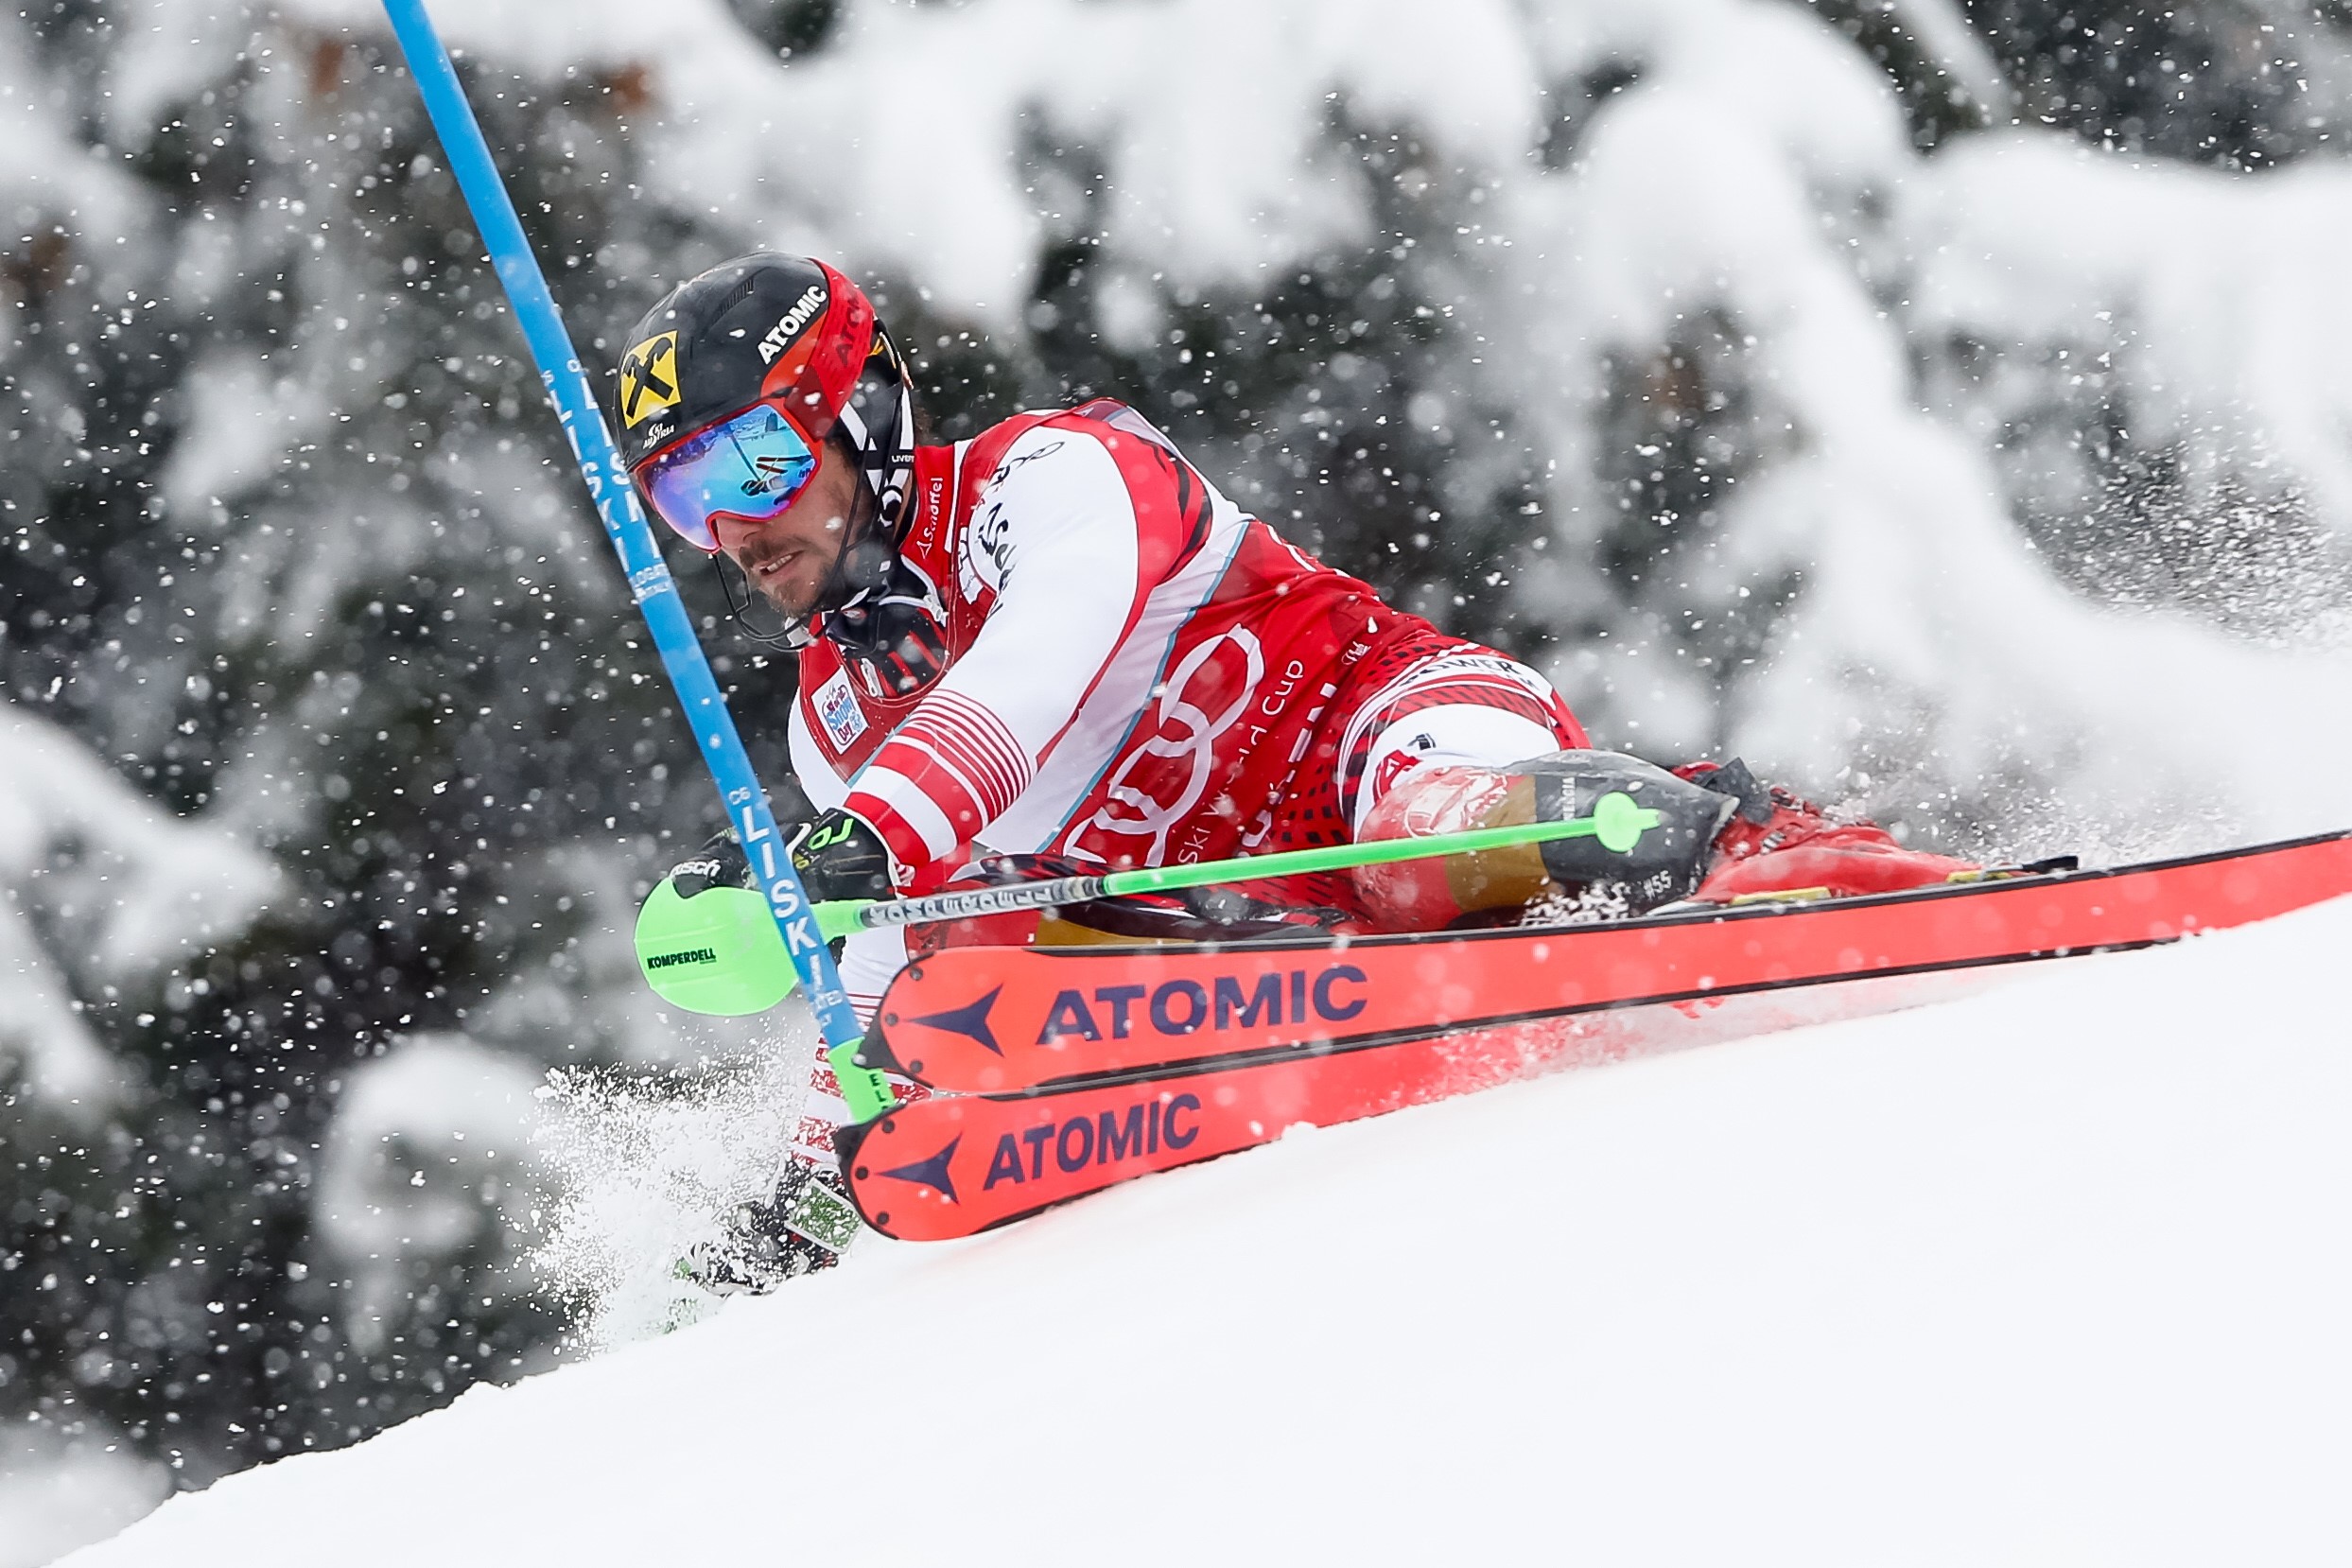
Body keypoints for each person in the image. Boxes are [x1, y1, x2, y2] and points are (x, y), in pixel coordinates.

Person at [615, 254, 1972, 1287]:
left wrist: (872, 835)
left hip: (1392, 736)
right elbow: (876, 961)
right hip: (1264, 927)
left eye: (756, 458)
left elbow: (1025, 678)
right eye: (686, 495)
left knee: (1418, 845)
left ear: (861, 411)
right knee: (966, 953)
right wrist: (809, 1188)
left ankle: (1770, 853)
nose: (732, 524)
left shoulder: (1055, 475)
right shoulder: (836, 723)